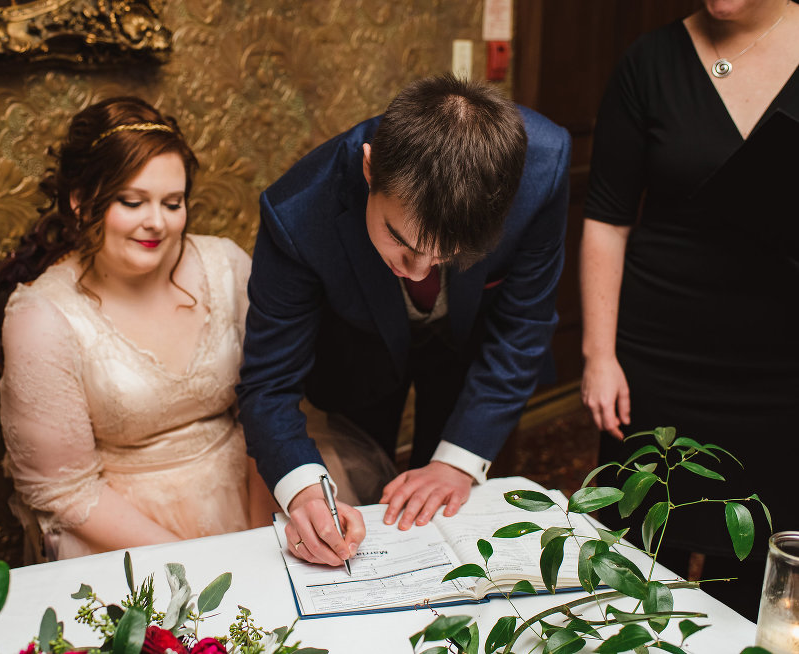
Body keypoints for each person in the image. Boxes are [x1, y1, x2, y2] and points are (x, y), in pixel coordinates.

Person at [237, 74, 571, 568]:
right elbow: (267, 382)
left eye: (446, 255)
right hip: (357, 352)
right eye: (402, 242)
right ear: (371, 170)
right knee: (372, 511)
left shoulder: (542, 166)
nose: (417, 270)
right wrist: (305, 491)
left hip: (474, 357)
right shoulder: (298, 212)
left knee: (464, 522)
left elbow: (523, 326)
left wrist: (458, 460)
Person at [580, 0, 799, 619]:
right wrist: (599, 356)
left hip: (781, 372)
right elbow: (606, 220)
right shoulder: (648, 62)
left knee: (760, 569)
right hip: (658, 359)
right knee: (634, 562)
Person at [0, 97, 276, 561]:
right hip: (121, 530)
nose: (157, 223)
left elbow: (266, 401)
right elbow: (66, 490)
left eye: (173, 203)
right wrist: (195, 560)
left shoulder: (226, 266)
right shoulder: (41, 317)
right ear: (82, 201)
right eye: (133, 201)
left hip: (250, 488)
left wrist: (258, 534)